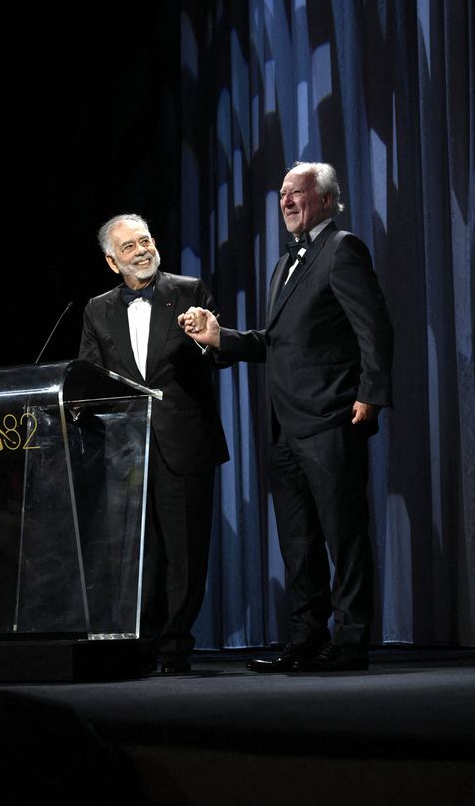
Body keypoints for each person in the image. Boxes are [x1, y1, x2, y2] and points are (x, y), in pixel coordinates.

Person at [179, 161, 393, 673]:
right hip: (283, 426)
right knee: (297, 542)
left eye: (298, 193)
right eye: (282, 195)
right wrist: (219, 339)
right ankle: (306, 639)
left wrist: (372, 393)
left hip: (331, 417)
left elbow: (375, 328)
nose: (287, 202)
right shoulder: (283, 265)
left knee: (344, 535)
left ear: (326, 200)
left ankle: (350, 642)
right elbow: (275, 344)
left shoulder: (343, 249)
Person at [78, 213, 229, 674]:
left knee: (184, 553)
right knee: (137, 556)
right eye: (129, 247)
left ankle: (174, 645)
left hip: (183, 443)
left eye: (145, 240)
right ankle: (138, 645)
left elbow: (215, 355)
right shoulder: (96, 309)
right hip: (126, 451)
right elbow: (87, 376)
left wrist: (207, 339)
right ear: (111, 261)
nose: (142, 250)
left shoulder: (189, 290)